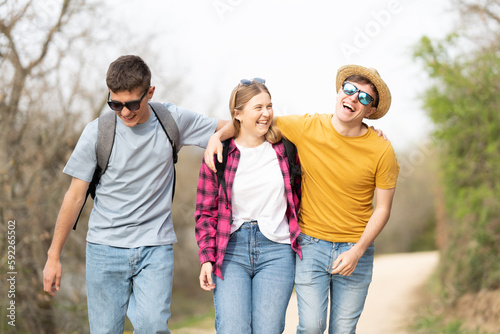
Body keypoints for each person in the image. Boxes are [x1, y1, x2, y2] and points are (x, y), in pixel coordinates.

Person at [204, 65, 400, 334]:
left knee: (343, 329)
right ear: (340, 91)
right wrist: (217, 136)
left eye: (364, 97)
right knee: (310, 327)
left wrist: (357, 251)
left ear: (371, 111)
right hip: (311, 244)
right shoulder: (306, 127)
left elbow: (383, 209)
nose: (354, 98)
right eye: (351, 90)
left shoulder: (382, 149)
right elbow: (252, 122)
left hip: (356, 246)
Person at [42, 55, 226, 333]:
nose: (124, 112)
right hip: (104, 249)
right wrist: (53, 255)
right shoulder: (97, 133)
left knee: (153, 326)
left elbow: (235, 126)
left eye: (132, 104)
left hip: (155, 246)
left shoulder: (171, 120)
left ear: (150, 93)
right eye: (115, 104)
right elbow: (74, 196)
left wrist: (216, 137)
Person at [195, 78, 302, 334]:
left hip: (277, 250)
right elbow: (205, 212)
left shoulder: (286, 149)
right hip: (231, 250)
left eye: (269, 106)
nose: (266, 114)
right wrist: (206, 258)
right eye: (258, 108)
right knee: (233, 328)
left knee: (269, 329)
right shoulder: (218, 154)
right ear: (238, 114)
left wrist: (366, 130)